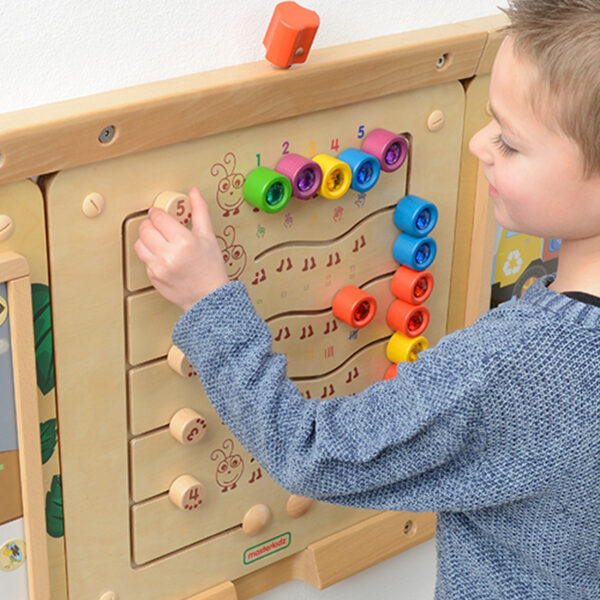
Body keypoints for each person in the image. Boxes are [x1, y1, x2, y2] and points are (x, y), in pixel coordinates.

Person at [134, 1, 600, 597]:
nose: (477, 144)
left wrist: (208, 301)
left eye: (509, 142)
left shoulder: (516, 365)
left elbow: (310, 452)